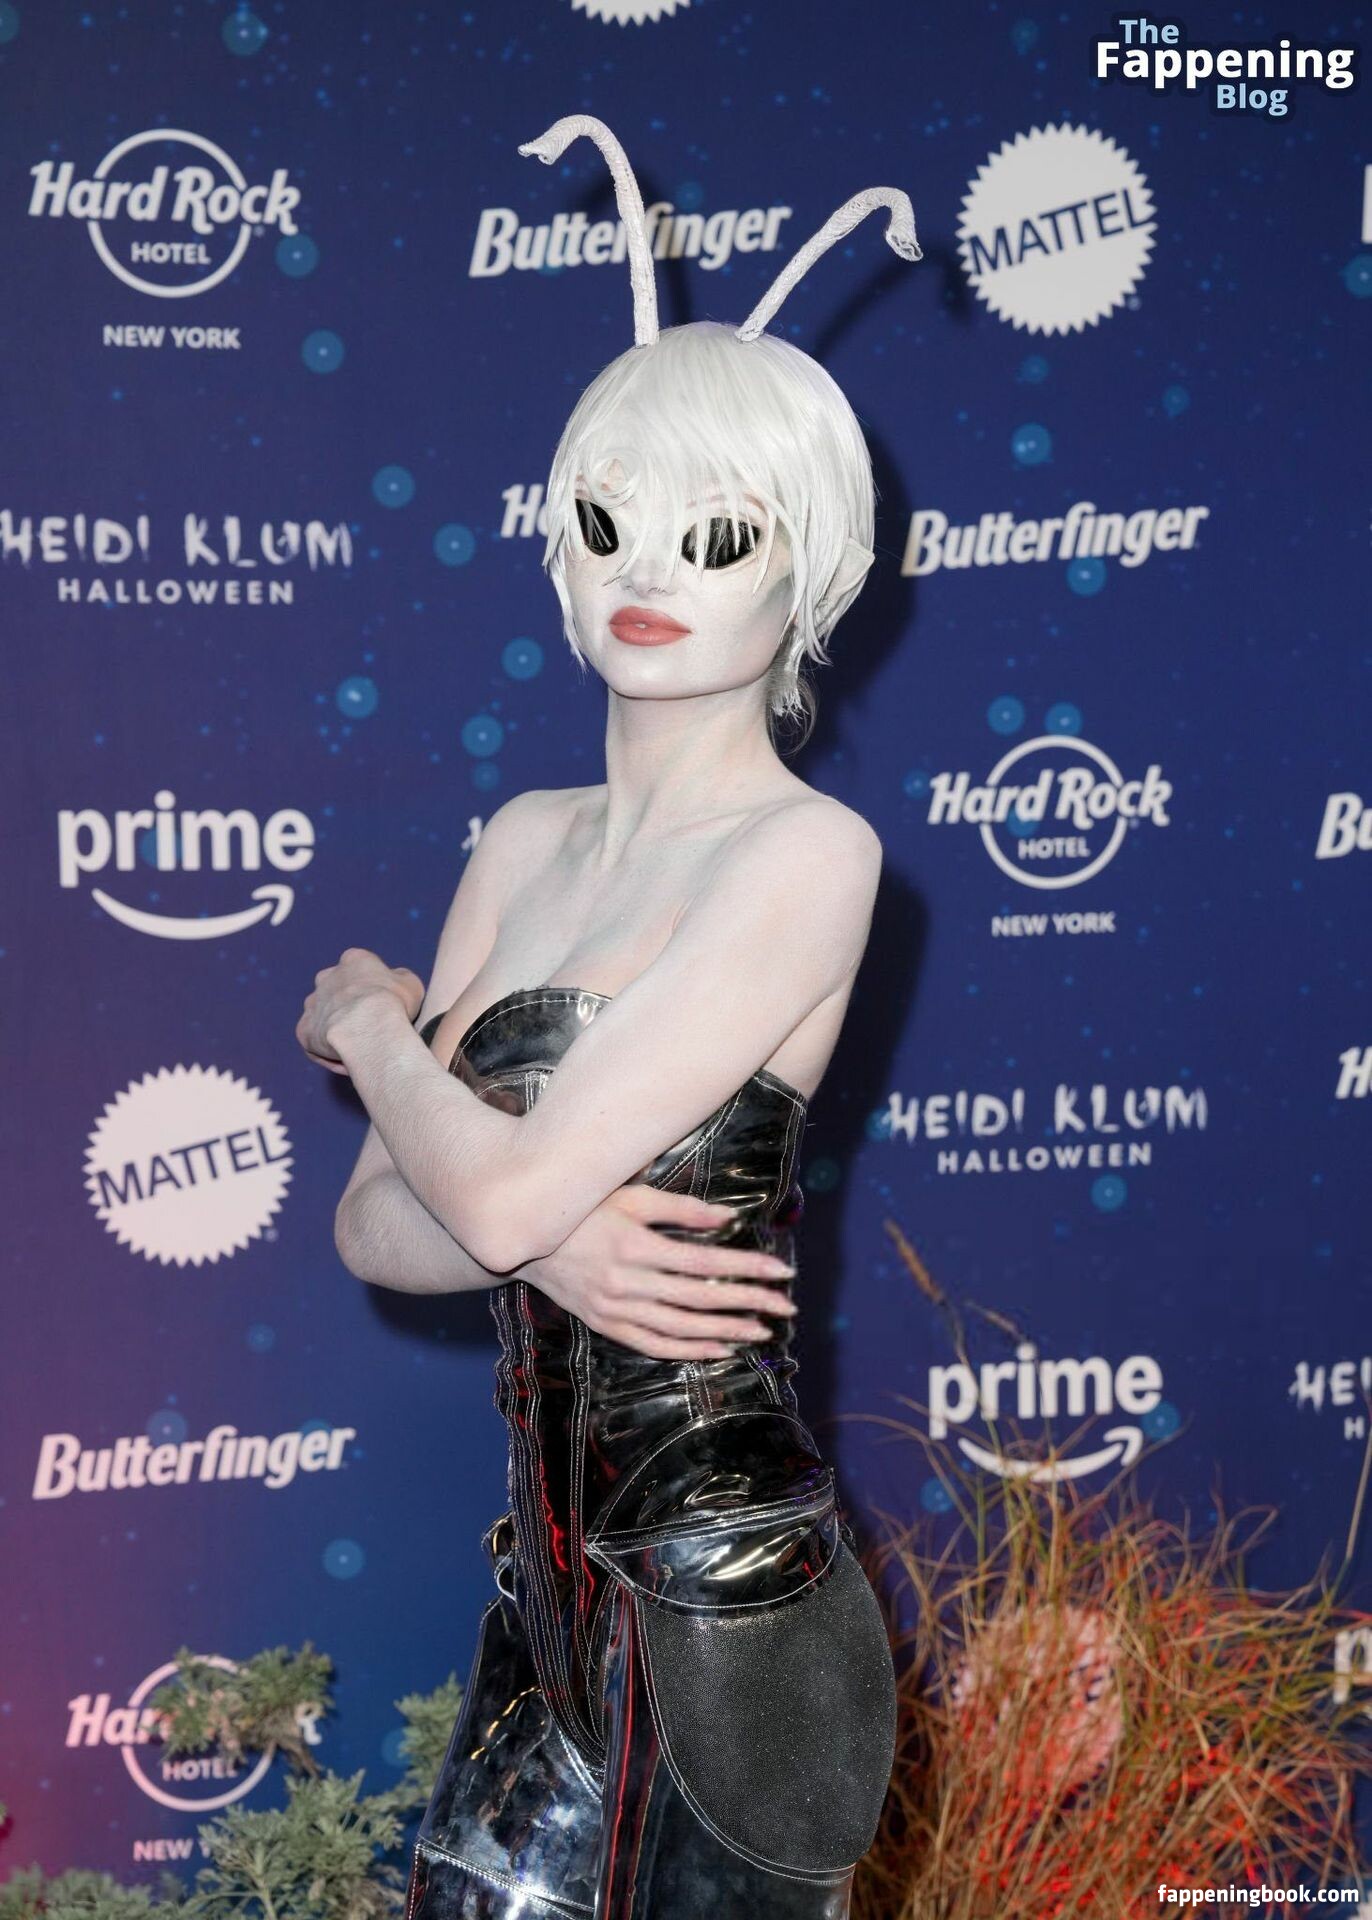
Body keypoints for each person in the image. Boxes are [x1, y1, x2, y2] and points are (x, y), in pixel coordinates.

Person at [297, 114, 920, 1920]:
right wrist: (555, 1237)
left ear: (805, 571)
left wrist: (368, 1026)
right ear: (559, 552)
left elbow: (481, 1195)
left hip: (729, 1607)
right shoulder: (522, 839)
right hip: (544, 1610)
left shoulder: (808, 855)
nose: (651, 571)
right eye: (608, 522)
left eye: (718, 536)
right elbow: (378, 1225)